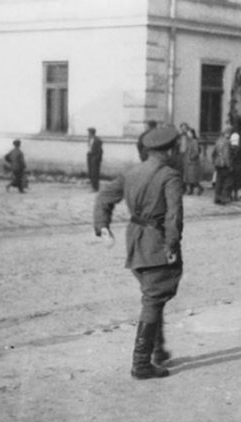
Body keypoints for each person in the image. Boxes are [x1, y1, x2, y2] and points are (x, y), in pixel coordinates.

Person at [93, 126, 184, 380]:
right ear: (170, 149)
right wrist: (172, 246)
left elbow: (103, 197)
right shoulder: (170, 176)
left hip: (135, 241)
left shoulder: (132, 172)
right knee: (154, 298)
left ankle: (158, 350)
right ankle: (142, 363)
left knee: (153, 294)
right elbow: (173, 216)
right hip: (156, 243)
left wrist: (102, 227)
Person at [210, 128, 232, 204]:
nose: (229, 135)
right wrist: (229, 165)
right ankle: (223, 198)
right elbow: (226, 155)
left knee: (218, 181)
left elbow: (213, 153)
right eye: (229, 133)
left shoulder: (218, 141)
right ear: (226, 134)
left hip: (218, 164)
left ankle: (217, 198)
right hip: (224, 164)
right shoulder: (227, 142)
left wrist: (214, 162)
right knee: (226, 182)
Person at [183, 128, 204, 195]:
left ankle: (200, 188)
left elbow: (196, 151)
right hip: (188, 162)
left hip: (193, 162)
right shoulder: (189, 141)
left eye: (189, 133)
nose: (187, 134)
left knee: (193, 178)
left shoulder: (194, 141)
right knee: (189, 177)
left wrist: (191, 157)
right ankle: (190, 190)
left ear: (192, 134)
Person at [229, 129, 241, 201]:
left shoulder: (229, 148)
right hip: (238, 166)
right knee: (237, 181)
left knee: (231, 180)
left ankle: (230, 195)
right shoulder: (240, 148)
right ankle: (236, 195)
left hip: (231, 166)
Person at [87, 127, 103, 192]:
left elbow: (100, 151)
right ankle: (93, 186)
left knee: (95, 173)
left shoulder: (97, 140)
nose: (88, 134)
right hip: (90, 157)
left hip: (94, 158)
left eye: (89, 133)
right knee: (91, 172)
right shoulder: (89, 139)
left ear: (92, 133)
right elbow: (90, 148)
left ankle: (95, 188)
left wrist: (97, 159)